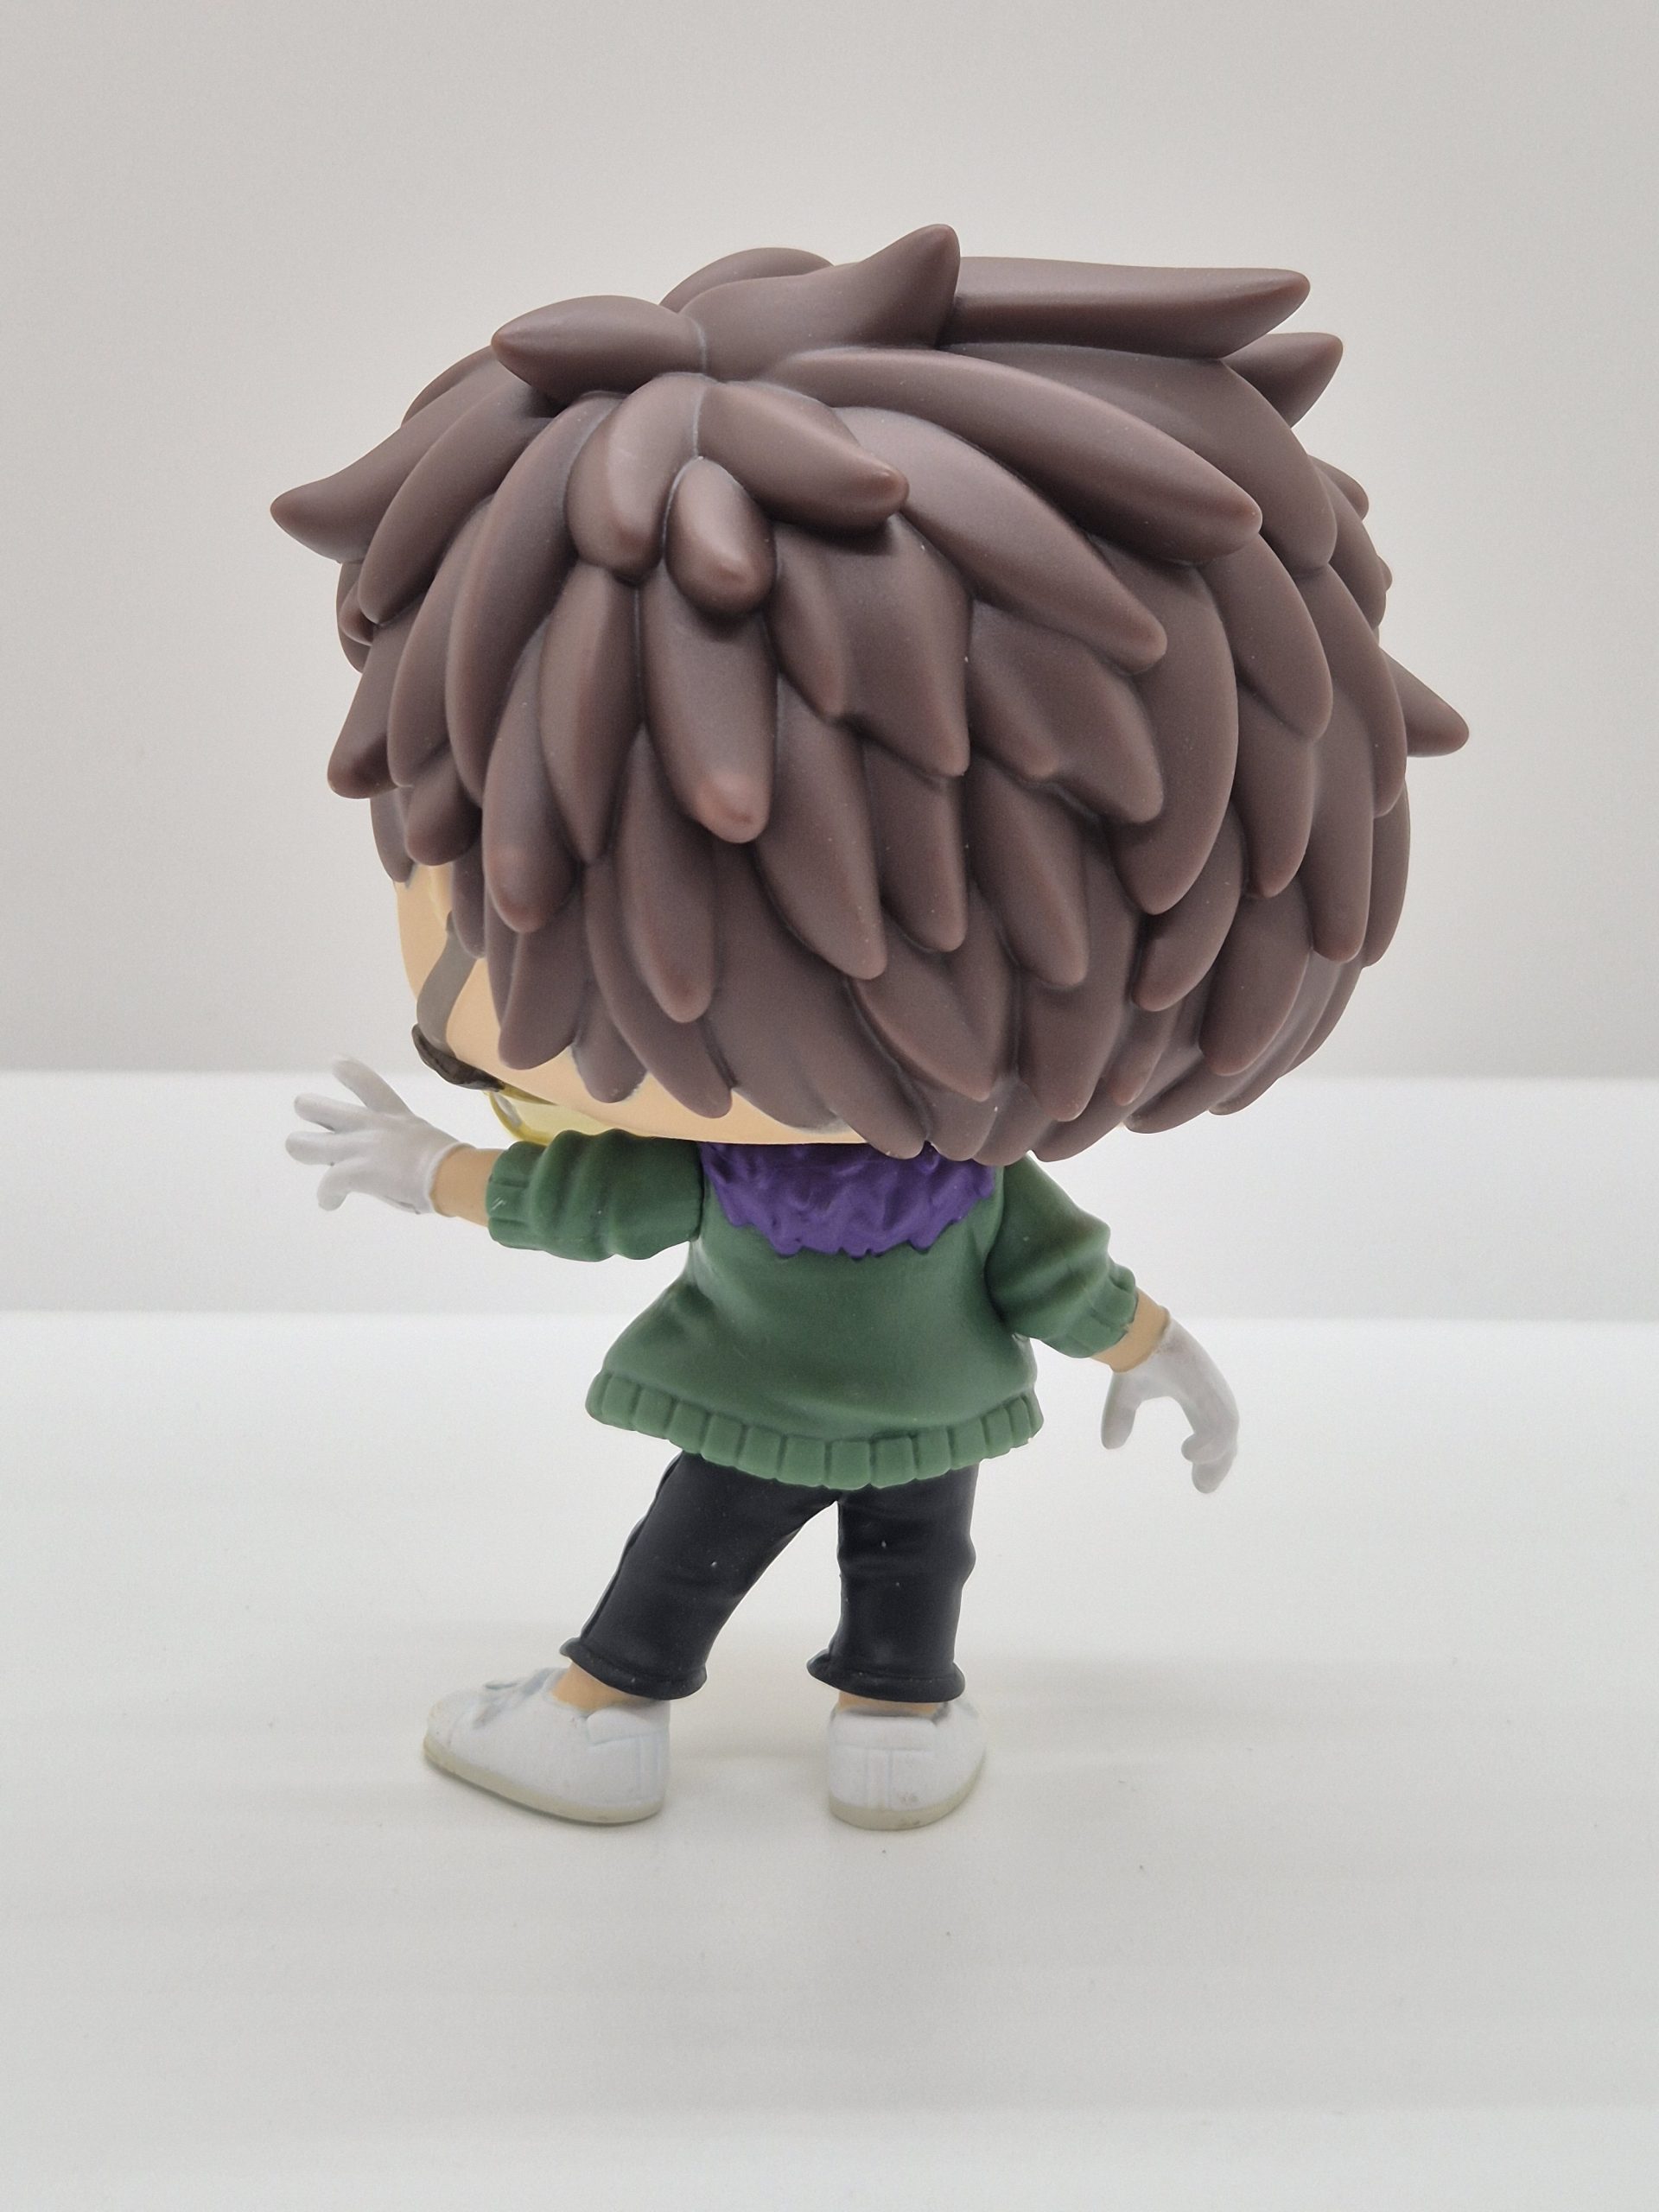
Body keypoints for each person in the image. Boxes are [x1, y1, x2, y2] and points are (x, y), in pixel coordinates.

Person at [275, 226, 1465, 1827]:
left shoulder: (738, 1172)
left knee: (692, 1556)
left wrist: (425, 1169)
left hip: (749, 1407)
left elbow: (574, 1202)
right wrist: (1162, 1353)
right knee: (917, 1559)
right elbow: (1062, 1280)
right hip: (934, 1415)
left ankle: (613, 1709)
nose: (453, 964)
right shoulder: (964, 1193)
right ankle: (896, 1724)